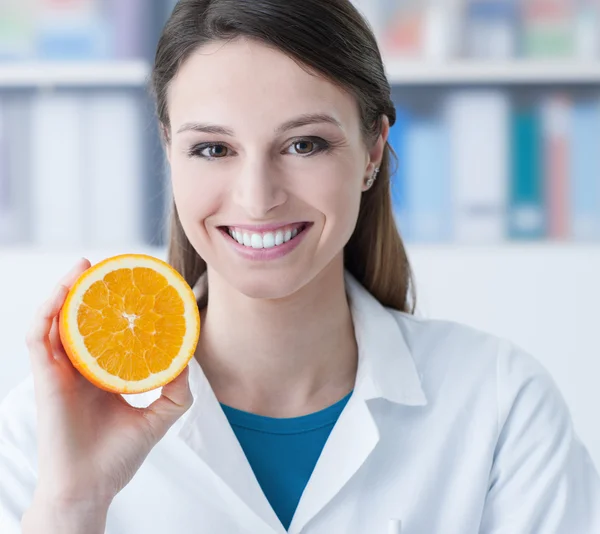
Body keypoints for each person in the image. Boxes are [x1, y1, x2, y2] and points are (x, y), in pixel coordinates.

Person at [2, 0, 600, 532]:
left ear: (371, 151)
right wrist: (73, 504)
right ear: (169, 149)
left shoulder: (499, 402)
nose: (258, 197)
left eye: (303, 144)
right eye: (214, 149)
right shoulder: (46, 426)